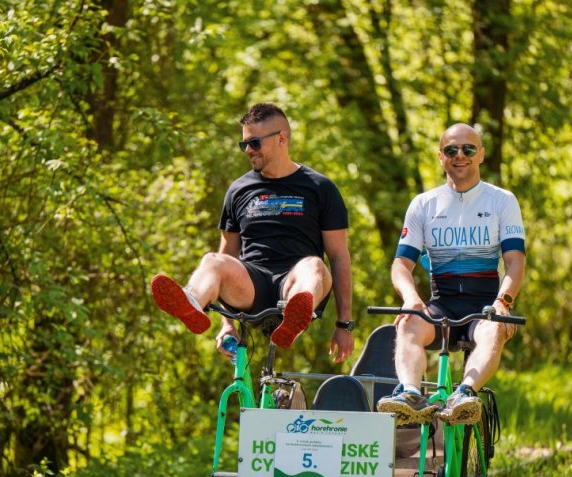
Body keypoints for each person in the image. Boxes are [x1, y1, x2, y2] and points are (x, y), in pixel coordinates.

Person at [150, 103, 354, 362]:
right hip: (252, 285)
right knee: (213, 260)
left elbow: (338, 258)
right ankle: (191, 303)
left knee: (314, 265)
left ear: (281, 139)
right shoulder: (239, 190)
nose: (248, 150)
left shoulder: (320, 187)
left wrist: (344, 324)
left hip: (296, 283)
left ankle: (294, 319)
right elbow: (228, 257)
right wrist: (227, 325)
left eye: (255, 143)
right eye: (244, 144)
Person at [377, 123, 526, 425]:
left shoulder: (502, 201)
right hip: (441, 305)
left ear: (481, 155)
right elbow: (400, 265)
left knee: (492, 329)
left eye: (468, 148)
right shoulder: (423, 204)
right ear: (440, 157)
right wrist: (410, 299)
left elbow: (515, 262)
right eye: (451, 150)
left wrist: (504, 301)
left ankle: (464, 395)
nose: (460, 155)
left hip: (484, 306)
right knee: (407, 323)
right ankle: (410, 395)